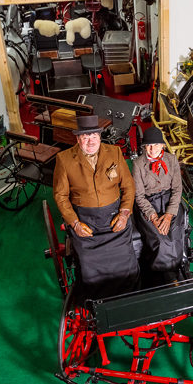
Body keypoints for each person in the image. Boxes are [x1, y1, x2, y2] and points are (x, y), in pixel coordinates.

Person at [52, 114, 138, 297]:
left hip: (115, 217)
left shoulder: (114, 152)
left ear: (100, 136)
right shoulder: (64, 159)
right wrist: (74, 223)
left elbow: (128, 185)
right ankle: (95, 301)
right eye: (85, 137)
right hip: (85, 221)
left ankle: (128, 296)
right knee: (89, 262)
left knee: (125, 258)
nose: (90, 141)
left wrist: (124, 214)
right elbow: (60, 195)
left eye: (94, 136)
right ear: (77, 139)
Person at [132, 126, 188, 280]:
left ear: (163, 145)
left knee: (174, 233)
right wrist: (153, 217)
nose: (151, 149)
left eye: (156, 145)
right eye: (148, 145)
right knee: (159, 239)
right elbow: (139, 196)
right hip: (148, 204)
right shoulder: (138, 164)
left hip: (170, 202)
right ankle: (159, 275)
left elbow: (177, 190)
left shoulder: (171, 160)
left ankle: (176, 269)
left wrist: (169, 214)